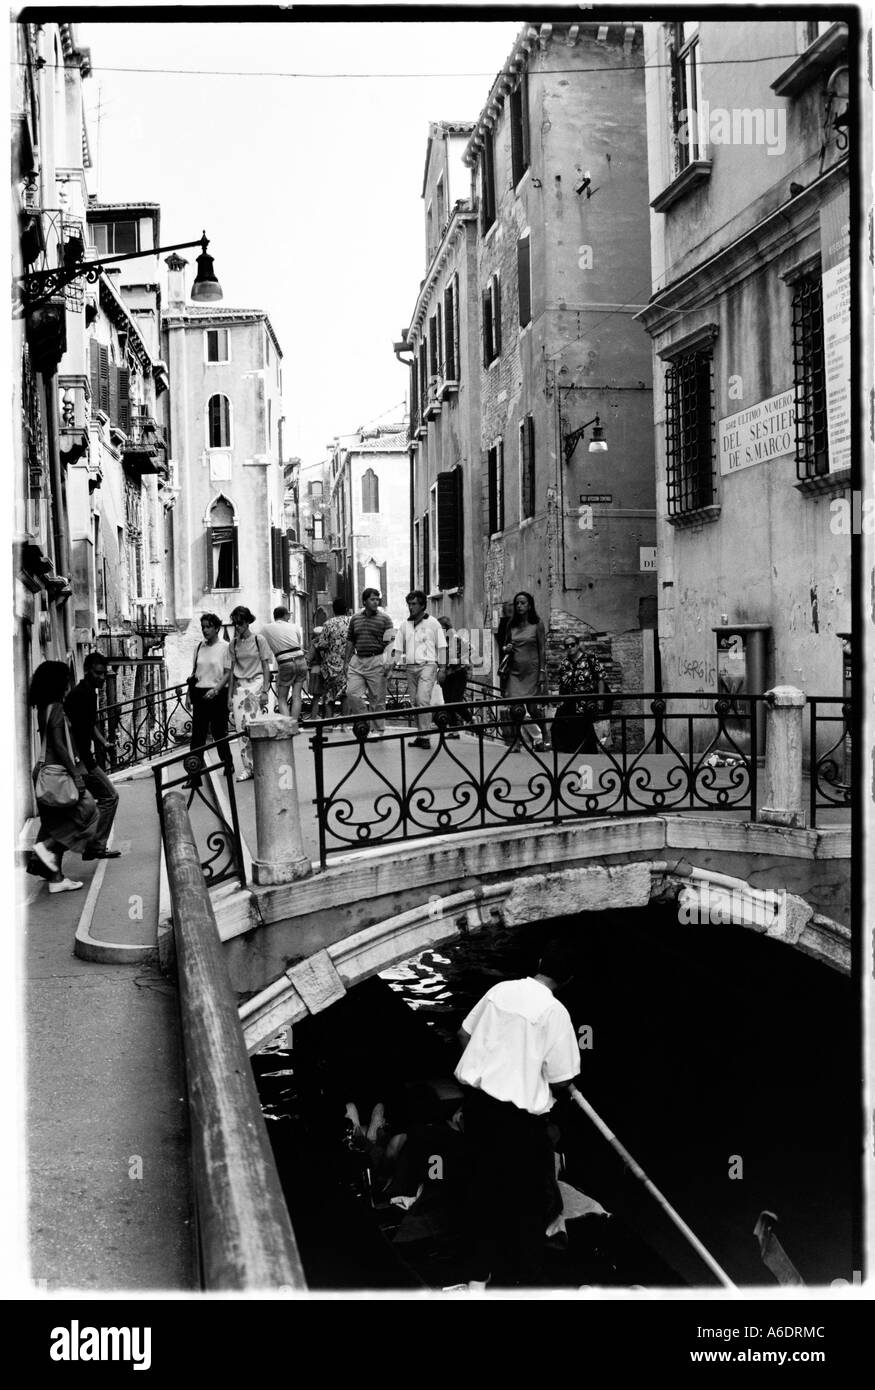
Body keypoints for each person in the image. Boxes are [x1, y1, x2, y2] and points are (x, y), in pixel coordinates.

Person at [454, 940, 580, 1289]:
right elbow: (562, 1077)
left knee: (481, 1191)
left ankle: (477, 1278)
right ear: (566, 980)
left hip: (479, 1108)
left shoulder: (500, 990)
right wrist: (523, 1072)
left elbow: (463, 1035)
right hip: (518, 1122)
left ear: (539, 962)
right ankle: (527, 1278)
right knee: (527, 1200)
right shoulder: (556, 1013)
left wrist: (490, 1067)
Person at [28, 661, 99, 893]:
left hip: (44, 772)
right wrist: (76, 774)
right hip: (57, 774)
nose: (69, 683)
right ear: (58, 682)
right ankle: (45, 848)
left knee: (53, 825)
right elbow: (59, 745)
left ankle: (56, 879)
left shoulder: (43, 707)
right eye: (66, 679)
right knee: (88, 812)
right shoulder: (56, 708)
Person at [64, 652, 121, 859]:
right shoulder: (83, 694)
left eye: (104, 674)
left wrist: (104, 743)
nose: (102, 678)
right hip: (81, 760)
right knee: (110, 797)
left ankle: (91, 845)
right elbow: (77, 731)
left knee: (84, 805)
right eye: (98, 673)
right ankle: (95, 846)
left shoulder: (89, 692)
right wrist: (79, 764)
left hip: (82, 759)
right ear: (87, 670)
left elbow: (90, 725)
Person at [393, 591, 448, 749]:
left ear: (423, 605)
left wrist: (443, 668)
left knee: (423, 699)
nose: (411, 607)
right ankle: (420, 733)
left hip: (428, 665)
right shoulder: (405, 625)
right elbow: (397, 648)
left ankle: (425, 736)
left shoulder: (433, 623)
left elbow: (442, 646)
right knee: (415, 702)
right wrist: (390, 667)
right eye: (409, 604)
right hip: (410, 668)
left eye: (414, 604)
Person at [227, 606, 271, 781]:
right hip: (240, 688)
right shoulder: (234, 644)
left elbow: (266, 666)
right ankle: (248, 767)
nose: (237, 627)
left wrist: (265, 691)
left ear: (247, 622)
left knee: (257, 726)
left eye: (240, 623)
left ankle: (262, 765)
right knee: (241, 728)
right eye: (235, 623)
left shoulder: (259, 640)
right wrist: (229, 695)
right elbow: (231, 671)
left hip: (257, 684)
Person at [502, 591, 549, 752]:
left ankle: (544, 738)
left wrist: (542, 671)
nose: (520, 606)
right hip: (515, 672)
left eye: (523, 603)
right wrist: (506, 648)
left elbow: (542, 649)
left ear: (529, 605)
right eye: (517, 603)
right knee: (516, 710)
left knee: (533, 710)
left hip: (533, 671)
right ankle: (517, 742)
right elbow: (505, 645)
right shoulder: (511, 624)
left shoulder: (537, 624)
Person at [551, 635, 613, 755]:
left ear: (578, 644)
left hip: (587, 702)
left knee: (585, 731)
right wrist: (560, 700)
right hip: (570, 702)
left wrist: (600, 699)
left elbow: (600, 678)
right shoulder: (565, 663)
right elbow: (562, 684)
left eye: (572, 644)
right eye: (567, 646)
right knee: (558, 727)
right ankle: (569, 756)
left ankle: (587, 757)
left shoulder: (590, 658)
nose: (570, 647)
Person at [187, 612, 233, 771]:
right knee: (197, 736)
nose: (205, 630)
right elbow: (194, 673)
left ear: (217, 628)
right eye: (203, 627)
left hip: (218, 693)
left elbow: (228, 673)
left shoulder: (226, 647)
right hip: (200, 694)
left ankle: (228, 764)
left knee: (219, 732)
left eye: (208, 627)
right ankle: (194, 773)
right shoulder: (199, 647)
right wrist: (188, 694)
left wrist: (215, 690)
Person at [344, 588, 394, 734]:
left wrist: (389, 664)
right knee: (351, 693)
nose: (376, 602)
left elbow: (391, 642)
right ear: (364, 601)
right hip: (358, 660)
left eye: (377, 599)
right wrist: (346, 661)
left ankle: (378, 730)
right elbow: (350, 640)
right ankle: (366, 721)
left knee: (377, 699)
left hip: (377, 659)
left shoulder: (385, 619)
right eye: (372, 599)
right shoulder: (355, 618)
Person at [258, 606, 307, 724]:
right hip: (301, 660)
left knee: (282, 698)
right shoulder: (294, 626)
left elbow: (260, 644)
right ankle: (295, 725)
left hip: (285, 662)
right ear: (285, 615)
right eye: (288, 615)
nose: (289, 617)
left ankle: (288, 726)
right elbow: (299, 643)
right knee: (297, 696)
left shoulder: (266, 628)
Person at [436, 617, 480, 736]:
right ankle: (454, 730)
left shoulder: (457, 639)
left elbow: (472, 650)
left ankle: (471, 720)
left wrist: (459, 660)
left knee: (455, 701)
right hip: (446, 674)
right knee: (448, 702)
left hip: (459, 673)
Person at [318, 598, 350, 717]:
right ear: (346, 609)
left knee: (328, 695)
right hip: (348, 664)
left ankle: (329, 725)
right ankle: (344, 725)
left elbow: (322, 644)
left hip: (330, 665)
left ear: (333, 609)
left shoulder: (328, 624)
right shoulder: (351, 622)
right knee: (345, 694)